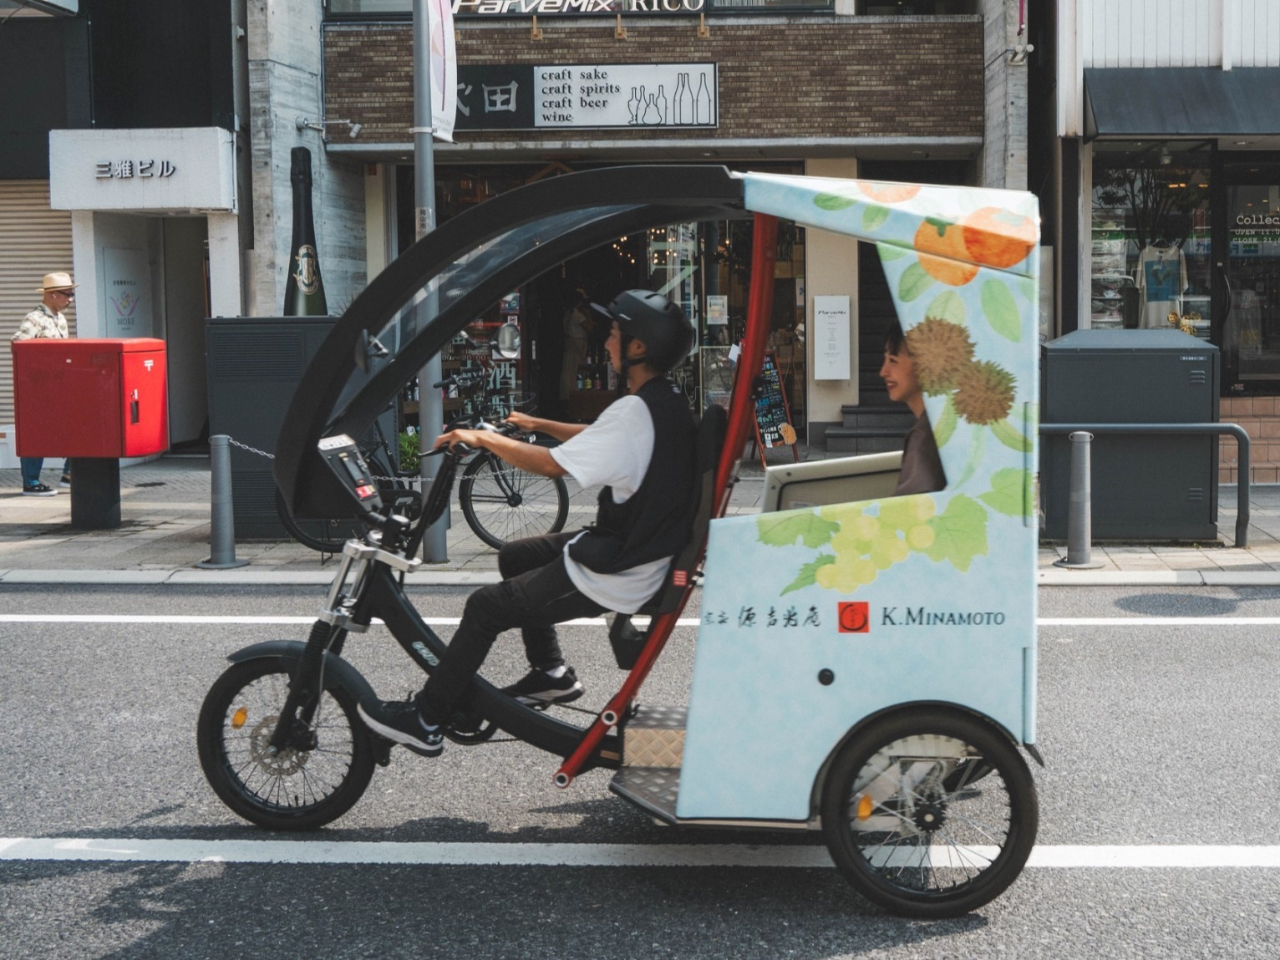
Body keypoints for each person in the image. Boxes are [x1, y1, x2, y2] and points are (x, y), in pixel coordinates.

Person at [358, 289, 698, 758]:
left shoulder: (635, 412)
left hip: (620, 568)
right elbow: (604, 439)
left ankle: (426, 718)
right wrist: (538, 422)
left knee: (485, 608)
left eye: (616, 335)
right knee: (516, 555)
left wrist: (483, 438)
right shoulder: (661, 403)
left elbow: (551, 466)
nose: (607, 344)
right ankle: (550, 674)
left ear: (639, 348)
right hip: (642, 547)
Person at [13, 272, 75, 496]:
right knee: (36, 433)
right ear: (52, 294)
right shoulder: (34, 319)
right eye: (67, 294)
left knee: (72, 426)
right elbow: (19, 344)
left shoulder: (60, 319)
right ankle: (31, 482)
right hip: (39, 388)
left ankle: (69, 475)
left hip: (58, 385)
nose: (70, 299)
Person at [880, 322, 946, 496]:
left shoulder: (924, 437)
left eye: (893, 361)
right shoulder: (938, 424)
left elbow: (909, 513)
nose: (883, 372)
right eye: (885, 359)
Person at [559, 287, 592, 401]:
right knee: (577, 369)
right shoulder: (578, 315)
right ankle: (575, 395)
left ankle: (567, 394)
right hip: (578, 342)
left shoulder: (568, 314)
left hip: (570, 342)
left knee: (569, 370)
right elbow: (589, 328)